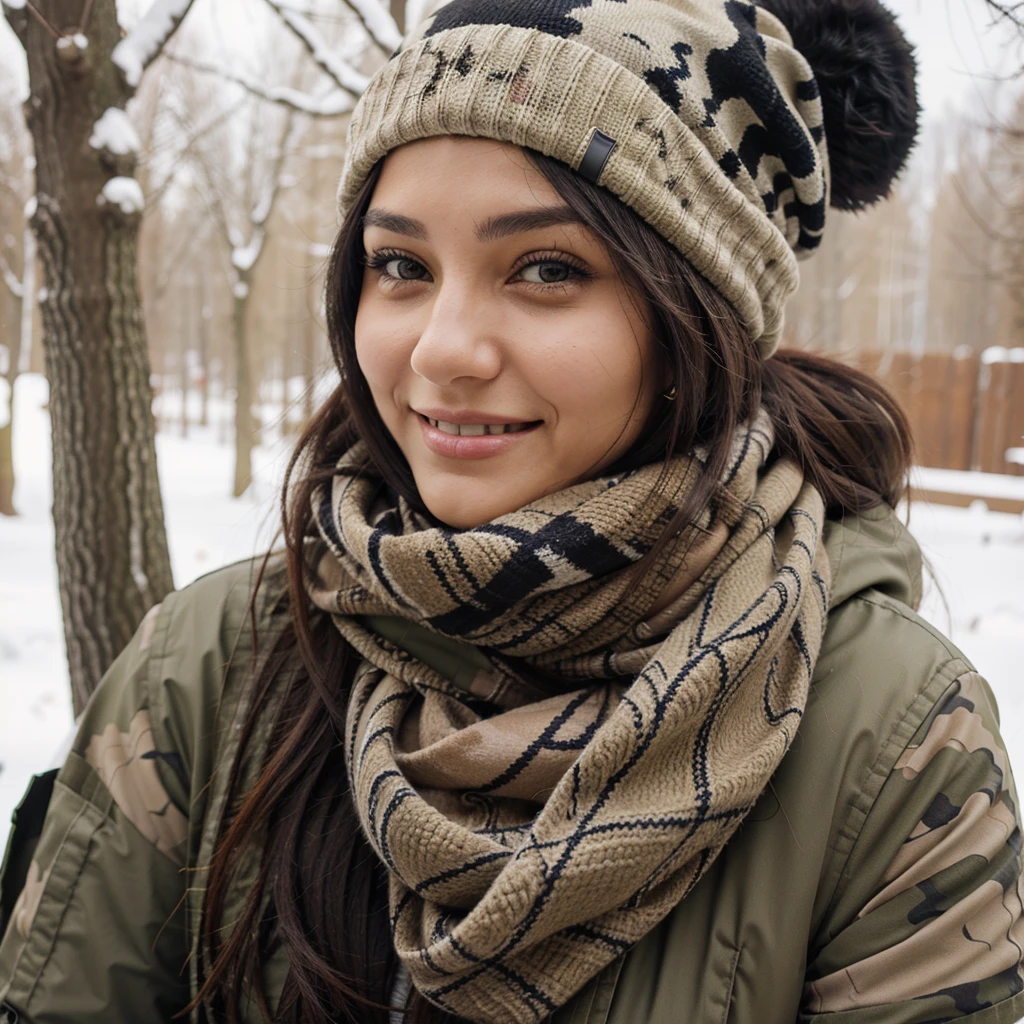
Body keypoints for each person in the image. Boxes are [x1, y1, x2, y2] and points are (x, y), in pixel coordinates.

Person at [2, 0, 1023, 1021]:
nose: (442, 349)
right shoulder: (213, 665)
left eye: (546, 270)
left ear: (701, 313)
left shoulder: (889, 738)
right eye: (401, 266)